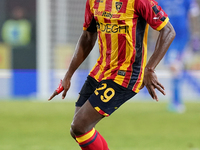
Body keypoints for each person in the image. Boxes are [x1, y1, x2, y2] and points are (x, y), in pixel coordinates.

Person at [49, 0, 175, 149]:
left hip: (127, 74)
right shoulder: (93, 1)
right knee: (76, 130)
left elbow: (168, 31)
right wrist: (69, 75)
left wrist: (150, 69)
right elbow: (88, 37)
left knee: (80, 126)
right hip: (101, 70)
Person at [157, 0, 200, 113]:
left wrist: (195, 35)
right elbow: (156, 19)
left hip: (182, 38)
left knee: (175, 68)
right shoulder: (161, 1)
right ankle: (176, 101)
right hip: (168, 38)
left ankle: (176, 102)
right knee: (175, 69)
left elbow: (193, 15)